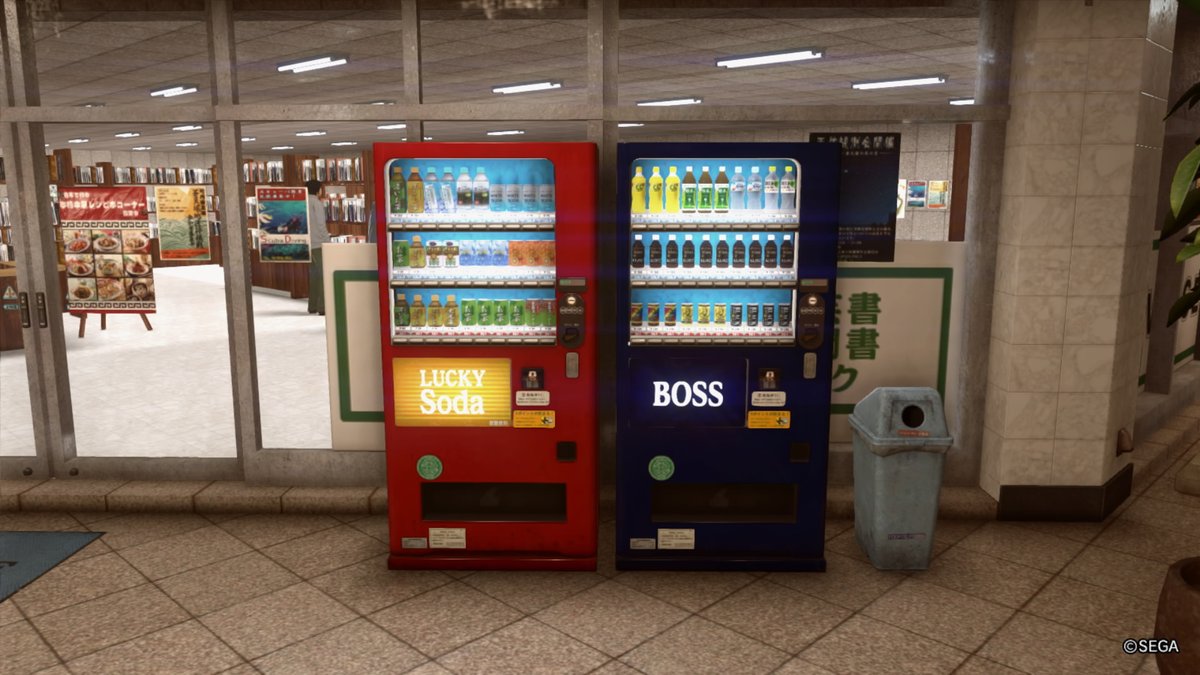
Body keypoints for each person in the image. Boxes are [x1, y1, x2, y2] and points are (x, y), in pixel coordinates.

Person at [305, 179, 331, 315]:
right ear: (318, 189)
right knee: (323, 276)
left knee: (314, 276)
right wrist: (327, 242)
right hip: (318, 244)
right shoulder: (316, 203)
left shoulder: (302, 202)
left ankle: (312, 305)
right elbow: (321, 225)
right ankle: (322, 307)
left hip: (306, 244)